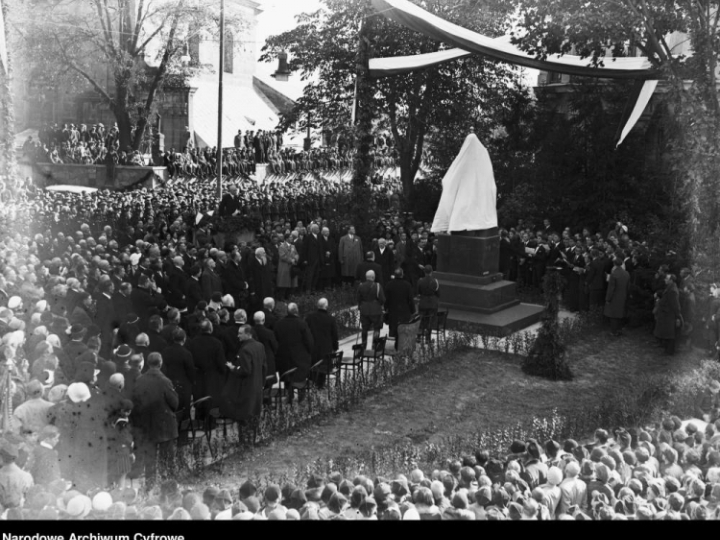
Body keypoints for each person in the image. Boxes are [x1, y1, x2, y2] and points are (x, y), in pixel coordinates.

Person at [131, 352, 179, 489]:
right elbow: (174, 403)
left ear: (147, 363)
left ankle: (149, 487)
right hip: (164, 427)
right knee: (167, 460)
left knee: (149, 461)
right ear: (160, 363)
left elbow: (136, 402)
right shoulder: (165, 381)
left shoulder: (139, 380)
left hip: (147, 426)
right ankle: (169, 487)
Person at [220, 324, 266, 441]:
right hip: (257, 385)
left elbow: (245, 370)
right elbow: (264, 366)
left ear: (248, 334)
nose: (238, 335)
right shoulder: (260, 346)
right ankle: (254, 437)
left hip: (246, 387)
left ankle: (244, 441)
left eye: (240, 333)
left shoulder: (245, 349)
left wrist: (233, 368)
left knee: (244, 414)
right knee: (254, 413)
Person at [185, 320, 226, 420]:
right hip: (213, 376)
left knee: (199, 399)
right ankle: (211, 422)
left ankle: (199, 419)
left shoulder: (193, 342)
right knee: (211, 400)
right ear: (211, 329)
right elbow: (221, 362)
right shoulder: (217, 343)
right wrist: (223, 372)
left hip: (198, 375)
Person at [274, 303, 314, 403]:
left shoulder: (279, 324)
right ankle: (301, 396)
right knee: (300, 377)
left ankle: (289, 395)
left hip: (284, 356)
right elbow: (309, 341)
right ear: (297, 311)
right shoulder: (302, 323)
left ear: (287, 312)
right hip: (300, 357)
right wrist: (309, 351)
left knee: (287, 376)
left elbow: (275, 341)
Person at [304, 298, 339, 389]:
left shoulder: (309, 317)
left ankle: (312, 385)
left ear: (317, 306)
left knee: (313, 366)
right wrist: (335, 346)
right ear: (326, 306)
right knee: (323, 368)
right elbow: (334, 335)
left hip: (313, 347)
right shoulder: (330, 319)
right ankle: (320, 385)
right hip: (326, 349)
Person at [384, 268, 416, 349]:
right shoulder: (407, 285)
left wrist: (386, 308)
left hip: (393, 311)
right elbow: (410, 300)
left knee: (395, 328)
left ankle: (397, 345)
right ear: (402, 275)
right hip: (404, 311)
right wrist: (413, 311)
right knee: (403, 329)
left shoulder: (389, 285)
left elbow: (386, 299)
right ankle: (400, 345)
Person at [654, 273, 682, 355]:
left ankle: (669, 351)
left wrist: (677, 316)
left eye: (666, 279)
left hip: (669, 315)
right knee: (667, 333)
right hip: (667, 314)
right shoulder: (670, 288)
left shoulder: (672, 290)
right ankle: (667, 349)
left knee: (670, 334)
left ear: (671, 280)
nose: (665, 280)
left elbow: (675, 304)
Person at [357, 270, 385, 349]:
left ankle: (364, 345)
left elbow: (358, 299)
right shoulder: (378, 286)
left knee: (365, 328)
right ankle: (374, 345)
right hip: (376, 310)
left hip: (365, 310)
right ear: (373, 277)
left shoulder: (361, 286)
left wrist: (360, 306)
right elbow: (382, 299)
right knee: (376, 328)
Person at [604, 257, 630, 336]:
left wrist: (608, 299)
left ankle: (613, 331)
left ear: (614, 264)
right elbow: (628, 286)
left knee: (613, 315)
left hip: (615, 296)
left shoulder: (614, 274)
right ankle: (619, 329)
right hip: (623, 295)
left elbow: (611, 288)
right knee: (620, 313)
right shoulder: (626, 273)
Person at [417, 265, 439, 343]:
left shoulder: (420, 281)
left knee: (421, 319)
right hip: (432, 304)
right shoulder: (435, 281)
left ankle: (419, 337)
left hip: (423, 303)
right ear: (432, 272)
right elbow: (437, 293)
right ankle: (427, 338)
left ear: (424, 272)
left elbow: (418, 291)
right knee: (430, 320)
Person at [300, 223, 324, 294]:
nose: (318, 229)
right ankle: (308, 290)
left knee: (316, 275)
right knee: (310, 275)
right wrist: (305, 259)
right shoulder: (308, 237)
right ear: (313, 229)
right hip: (310, 259)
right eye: (317, 228)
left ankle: (313, 288)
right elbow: (304, 249)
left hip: (318, 259)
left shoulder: (319, 237)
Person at [277, 233, 299, 300]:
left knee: (292, 283)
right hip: (284, 267)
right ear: (286, 238)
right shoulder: (281, 246)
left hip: (291, 267)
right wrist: (290, 260)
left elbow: (296, 254)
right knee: (284, 283)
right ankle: (282, 297)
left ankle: (289, 296)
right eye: (290, 237)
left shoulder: (293, 246)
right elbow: (282, 256)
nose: (292, 238)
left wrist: (295, 258)